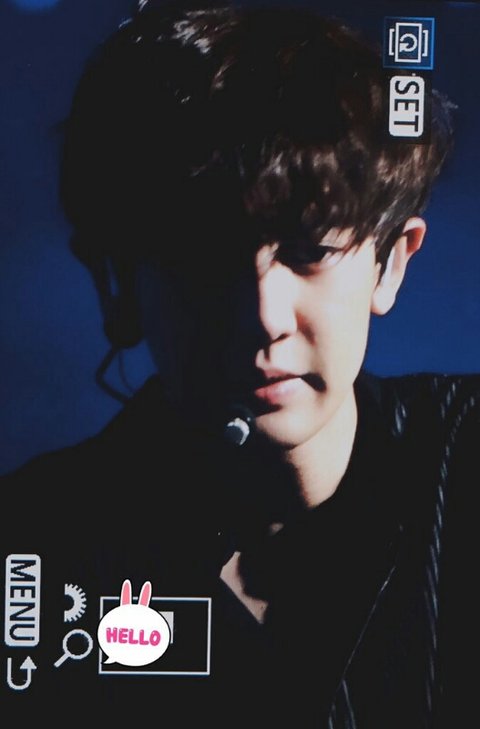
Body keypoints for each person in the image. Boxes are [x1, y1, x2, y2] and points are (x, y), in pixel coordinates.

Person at [1, 2, 476, 727]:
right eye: (204, 257)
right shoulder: (32, 542)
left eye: (312, 251)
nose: (264, 316)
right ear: (116, 283)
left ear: (390, 264)